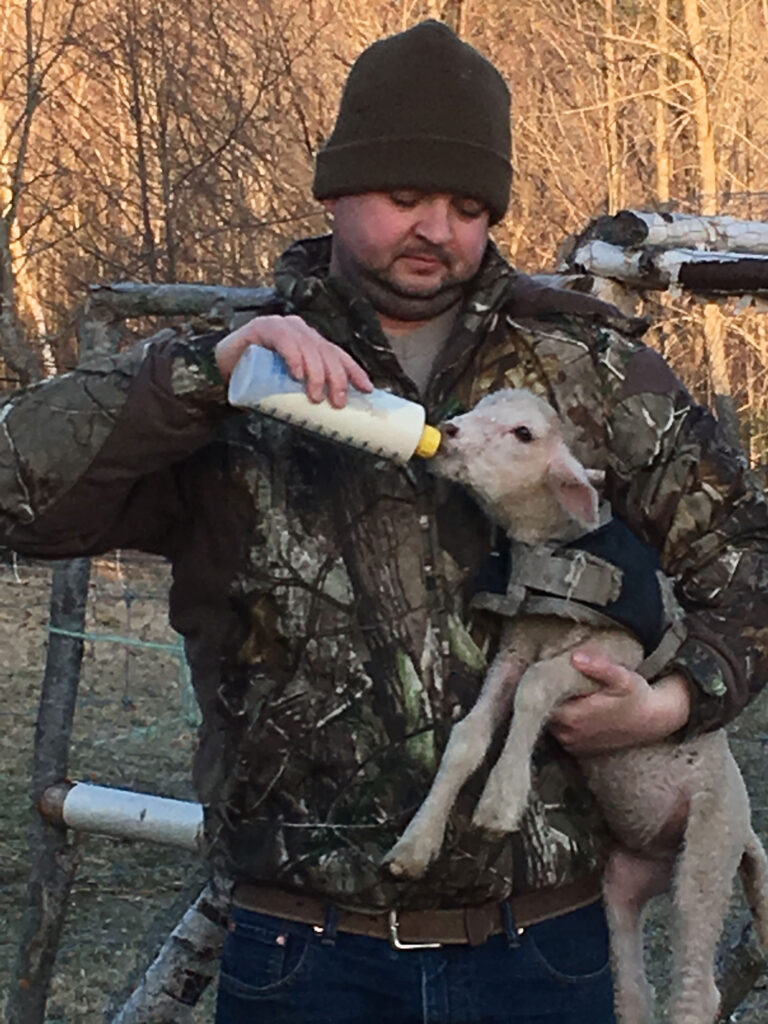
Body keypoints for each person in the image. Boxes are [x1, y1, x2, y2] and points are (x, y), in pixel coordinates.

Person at [1, 19, 766, 1024]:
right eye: (403, 197)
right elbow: (19, 492)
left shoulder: (588, 368)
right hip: (300, 951)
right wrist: (203, 375)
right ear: (334, 190)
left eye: (466, 206)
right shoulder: (243, 371)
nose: (435, 230)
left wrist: (669, 703)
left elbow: (749, 564)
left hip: (544, 945)